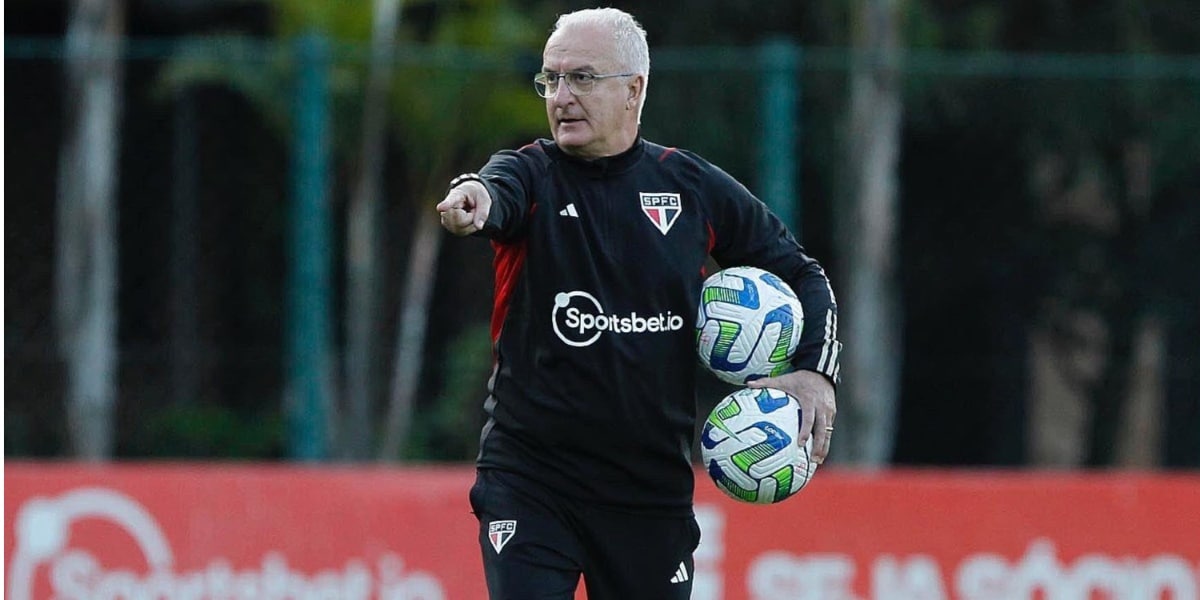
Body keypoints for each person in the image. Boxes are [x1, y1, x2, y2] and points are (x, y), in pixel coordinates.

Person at [436, 7, 841, 599]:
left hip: (649, 491)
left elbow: (803, 274)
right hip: (531, 479)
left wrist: (813, 372)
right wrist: (472, 197)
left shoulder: (690, 187)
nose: (562, 96)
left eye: (582, 77)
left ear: (635, 89)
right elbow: (493, 192)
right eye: (550, 79)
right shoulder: (530, 173)